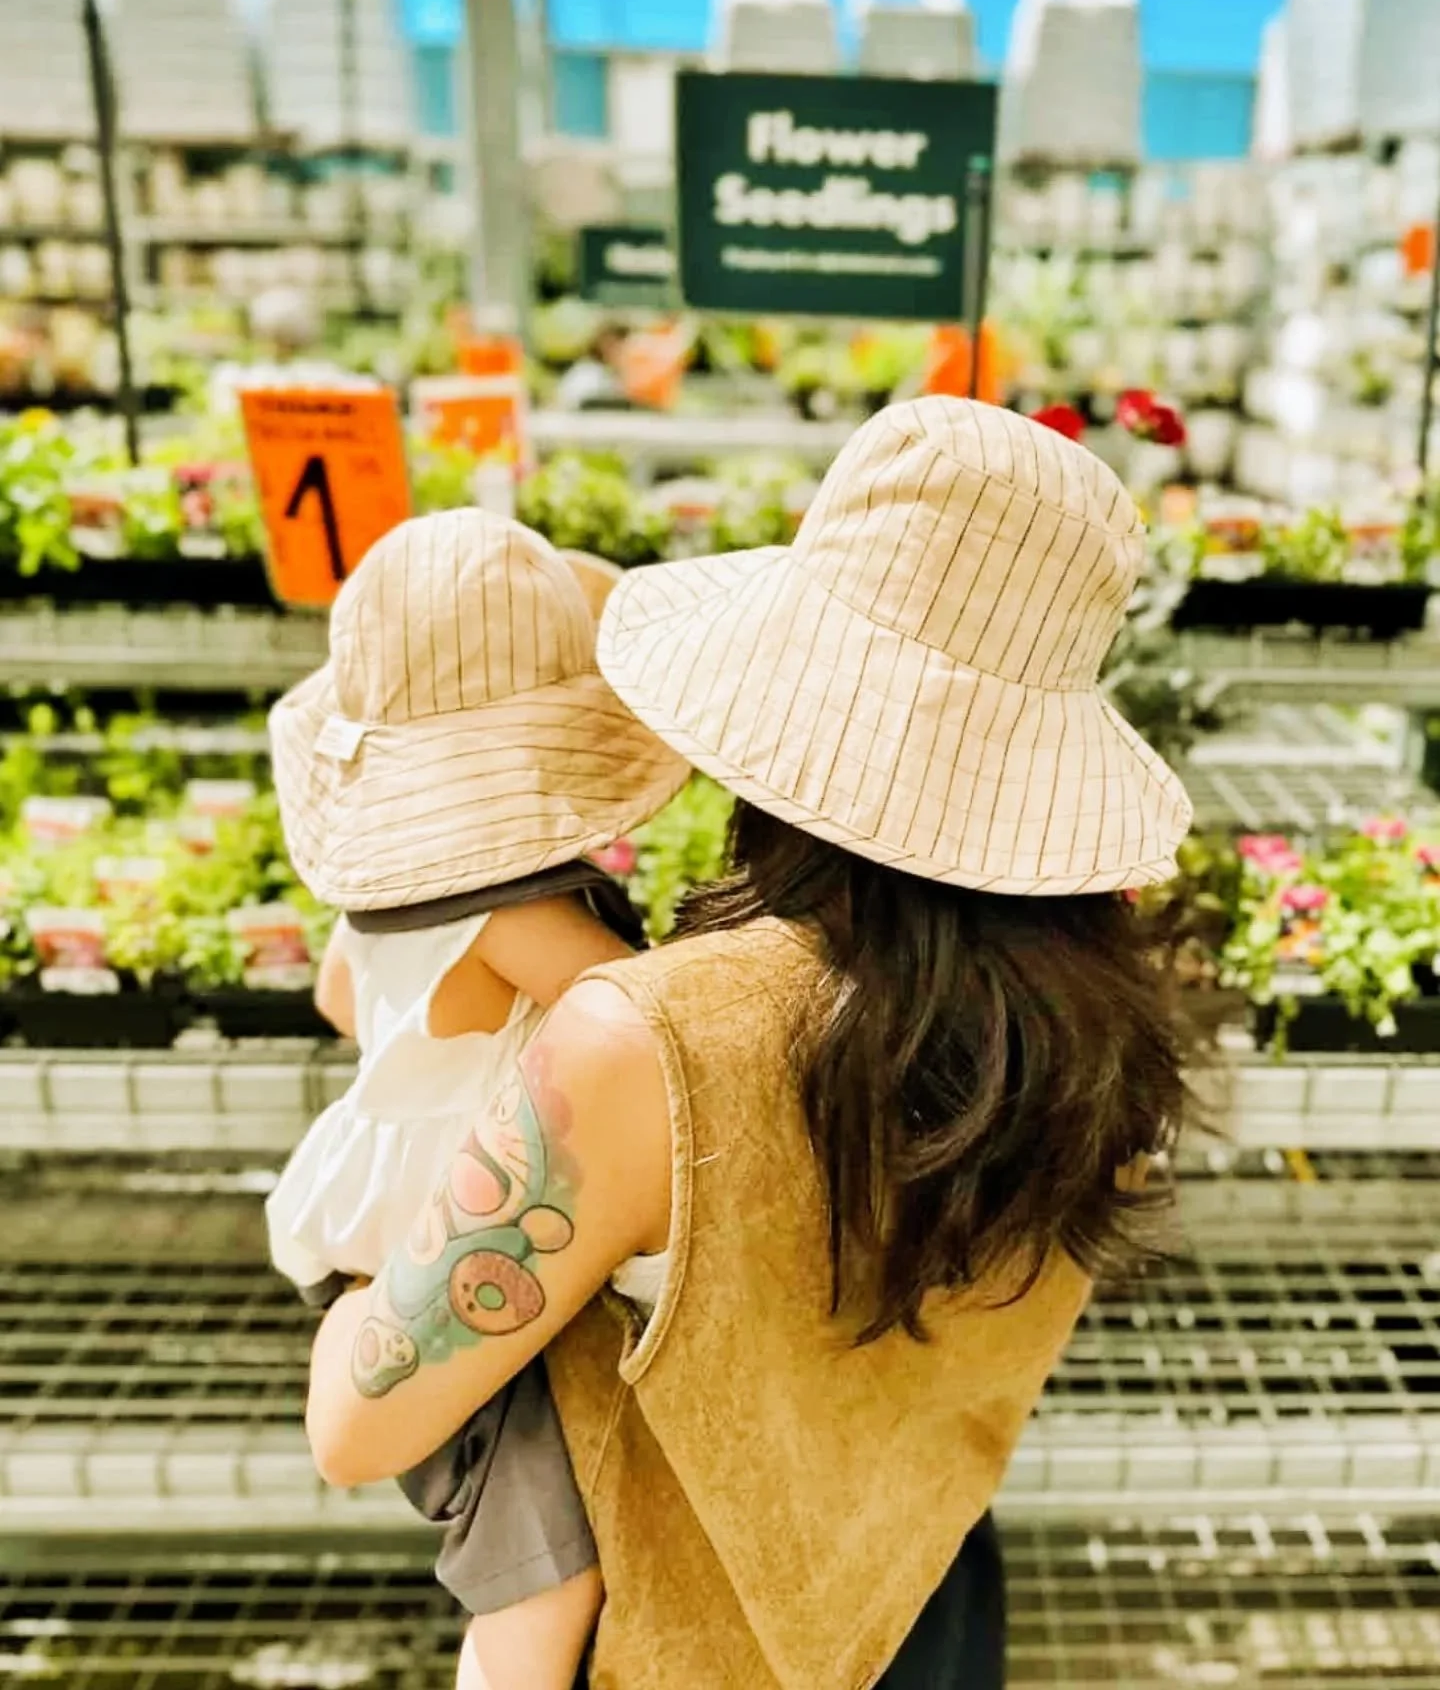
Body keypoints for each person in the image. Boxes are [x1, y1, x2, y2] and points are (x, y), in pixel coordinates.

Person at [304, 396, 1194, 1687]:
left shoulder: (648, 1040)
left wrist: (352, 1249)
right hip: (917, 1593)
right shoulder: (1102, 1035)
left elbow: (359, 1425)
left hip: (693, 1630)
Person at [265, 507, 689, 1690]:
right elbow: (644, 1022)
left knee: (524, 1556)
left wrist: (440, 1049)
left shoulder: (388, 907)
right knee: (545, 1574)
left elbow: (343, 1003)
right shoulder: (517, 918)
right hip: (456, 1254)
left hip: (375, 1230)